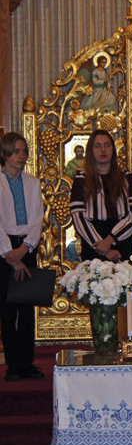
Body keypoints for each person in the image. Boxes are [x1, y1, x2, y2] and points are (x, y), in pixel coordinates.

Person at [0, 132, 44, 381]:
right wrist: (10, 254)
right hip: (4, 249)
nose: (22, 156)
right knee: (7, 308)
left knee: (27, 306)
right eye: (17, 151)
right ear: (5, 154)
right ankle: (12, 364)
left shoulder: (32, 182)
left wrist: (25, 248)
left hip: (26, 247)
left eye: (25, 151)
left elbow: (37, 218)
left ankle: (26, 361)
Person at [70, 129, 132, 262]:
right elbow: (77, 215)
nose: (103, 150)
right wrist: (103, 247)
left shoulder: (127, 177)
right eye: (98, 146)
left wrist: (110, 240)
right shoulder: (81, 178)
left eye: (107, 145)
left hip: (122, 241)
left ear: (113, 150)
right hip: (93, 243)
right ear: (91, 151)